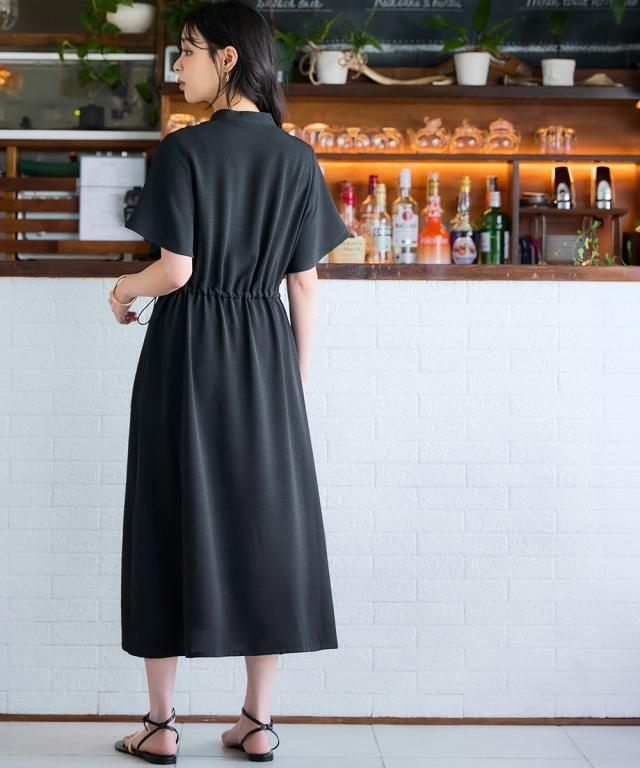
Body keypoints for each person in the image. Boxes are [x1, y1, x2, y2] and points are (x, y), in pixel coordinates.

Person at [107, 1, 351, 763]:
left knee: (164, 514)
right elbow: (304, 284)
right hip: (262, 355)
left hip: (186, 354)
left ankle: (160, 725)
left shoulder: (184, 150)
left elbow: (175, 271)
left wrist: (122, 289)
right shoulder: (297, 158)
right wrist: (291, 385)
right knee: (266, 524)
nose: (178, 64)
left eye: (188, 50)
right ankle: (257, 721)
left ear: (228, 59)